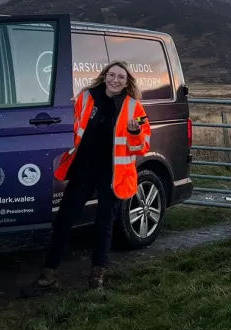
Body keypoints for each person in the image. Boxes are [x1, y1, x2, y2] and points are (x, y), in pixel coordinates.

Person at [31, 60, 151, 293]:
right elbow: (69, 125)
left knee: (104, 225)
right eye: (112, 75)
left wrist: (135, 133)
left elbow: (142, 146)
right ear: (104, 75)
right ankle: (49, 274)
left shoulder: (134, 108)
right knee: (64, 220)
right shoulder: (86, 98)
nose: (115, 80)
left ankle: (97, 276)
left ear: (127, 83)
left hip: (113, 175)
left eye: (121, 77)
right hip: (83, 170)